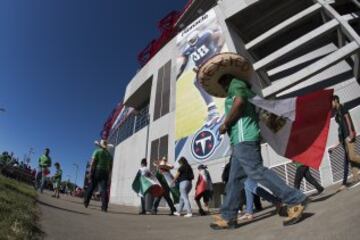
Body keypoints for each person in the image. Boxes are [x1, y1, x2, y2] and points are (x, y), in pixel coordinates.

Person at [209, 74, 307, 229]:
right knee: (234, 179)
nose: (222, 86)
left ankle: (295, 199)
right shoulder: (237, 86)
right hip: (238, 142)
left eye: (222, 82)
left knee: (256, 171)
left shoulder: (236, 83)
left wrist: (226, 124)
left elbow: (239, 102)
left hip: (244, 138)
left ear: (227, 78)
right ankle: (228, 216)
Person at [177, 29, 225, 125]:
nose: (191, 42)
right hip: (204, 68)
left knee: (198, 81)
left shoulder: (205, 36)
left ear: (197, 36)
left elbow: (220, 35)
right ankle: (213, 111)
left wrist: (217, 51)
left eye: (192, 40)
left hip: (212, 62)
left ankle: (213, 111)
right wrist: (177, 76)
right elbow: (183, 65)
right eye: (190, 41)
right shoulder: (188, 50)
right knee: (197, 81)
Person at [332, 95, 360, 191]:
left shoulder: (342, 108)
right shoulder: (337, 112)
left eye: (331, 102)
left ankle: (356, 177)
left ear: (335, 100)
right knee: (351, 159)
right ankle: (356, 178)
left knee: (352, 157)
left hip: (349, 135)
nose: (330, 104)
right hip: (344, 137)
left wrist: (351, 132)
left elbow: (347, 119)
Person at [84, 140, 113, 212]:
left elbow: (93, 162)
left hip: (97, 170)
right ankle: (104, 207)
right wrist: (109, 176)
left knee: (92, 186)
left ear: (100, 145)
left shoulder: (97, 151)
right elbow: (110, 167)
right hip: (105, 172)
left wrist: (90, 172)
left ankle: (86, 202)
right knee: (104, 189)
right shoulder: (109, 155)